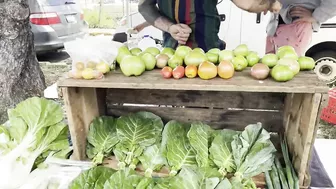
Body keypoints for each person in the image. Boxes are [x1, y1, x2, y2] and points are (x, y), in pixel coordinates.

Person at [137, 0, 282, 51]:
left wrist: (270, 3)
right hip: (172, 52)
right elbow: (145, 7)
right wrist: (169, 27)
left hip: (209, 51)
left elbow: (247, 3)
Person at [266, 0, 336, 56]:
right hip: (275, 22)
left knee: (289, 64)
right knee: (269, 65)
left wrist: (316, 16)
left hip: (296, 23)